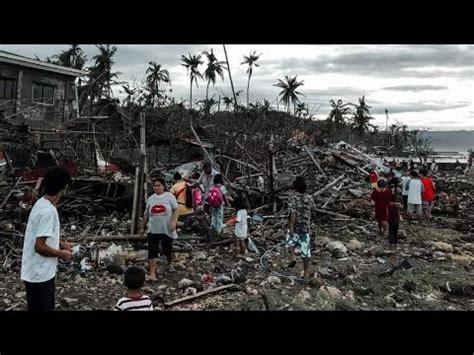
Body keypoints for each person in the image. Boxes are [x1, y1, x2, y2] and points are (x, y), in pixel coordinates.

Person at [20, 167, 73, 311]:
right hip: (39, 274)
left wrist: (61, 243)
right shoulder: (48, 211)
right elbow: (40, 247)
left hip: (37, 271)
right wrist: (62, 254)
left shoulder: (42, 203)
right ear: (64, 188)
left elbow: (42, 234)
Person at [139, 177, 178, 281]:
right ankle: (152, 273)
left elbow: (175, 210)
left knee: (167, 249)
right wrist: (142, 227)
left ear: (163, 186)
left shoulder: (169, 197)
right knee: (152, 250)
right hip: (153, 228)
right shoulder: (151, 199)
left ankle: (169, 263)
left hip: (166, 228)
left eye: (159, 185)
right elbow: (146, 214)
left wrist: (174, 222)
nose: (156, 187)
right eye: (155, 186)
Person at [286, 176, 317, 279]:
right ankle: (306, 273)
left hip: (296, 226)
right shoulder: (309, 197)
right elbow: (313, 211)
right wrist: (309, 221)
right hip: (305, 227)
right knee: (305, 251)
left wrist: (291, 226)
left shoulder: (292, 197)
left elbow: (293, 212)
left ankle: (293, 257)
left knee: (290, 242)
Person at [387, 194, 401, 264]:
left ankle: (391, 248)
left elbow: (388, 215)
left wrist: (388, 221)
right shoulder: (396, 206)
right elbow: (398, 214)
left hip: (391, 222)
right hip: (396, 222)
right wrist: (399, 220)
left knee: (391, 234)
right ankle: (395, 247)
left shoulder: (389, 206)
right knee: (395, 233)